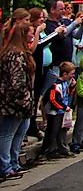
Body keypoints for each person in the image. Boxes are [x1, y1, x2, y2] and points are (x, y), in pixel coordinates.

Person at [0, 20, 35, 181]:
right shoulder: (14, 54)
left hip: (24, 101)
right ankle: (5, 166)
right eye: (31, 32)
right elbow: (16, 82)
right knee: (7, 134)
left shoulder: (23, 51)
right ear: (22, 34)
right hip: (13, 103)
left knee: (19, 133)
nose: (33, 35)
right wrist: (24, 100)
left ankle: (14, 163)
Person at [39, 61, 74, 159]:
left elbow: (68, 94)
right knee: (52, 131)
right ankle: (47, 151)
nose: (73, 76)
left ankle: (62, 148)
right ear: (64, 74)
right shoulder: (56, 85)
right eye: (71, 74)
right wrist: (62, 107)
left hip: (63, 111)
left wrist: (72, 86)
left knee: (63, 130)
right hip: (54, 112)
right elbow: (53, 99)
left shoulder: (65, 83)